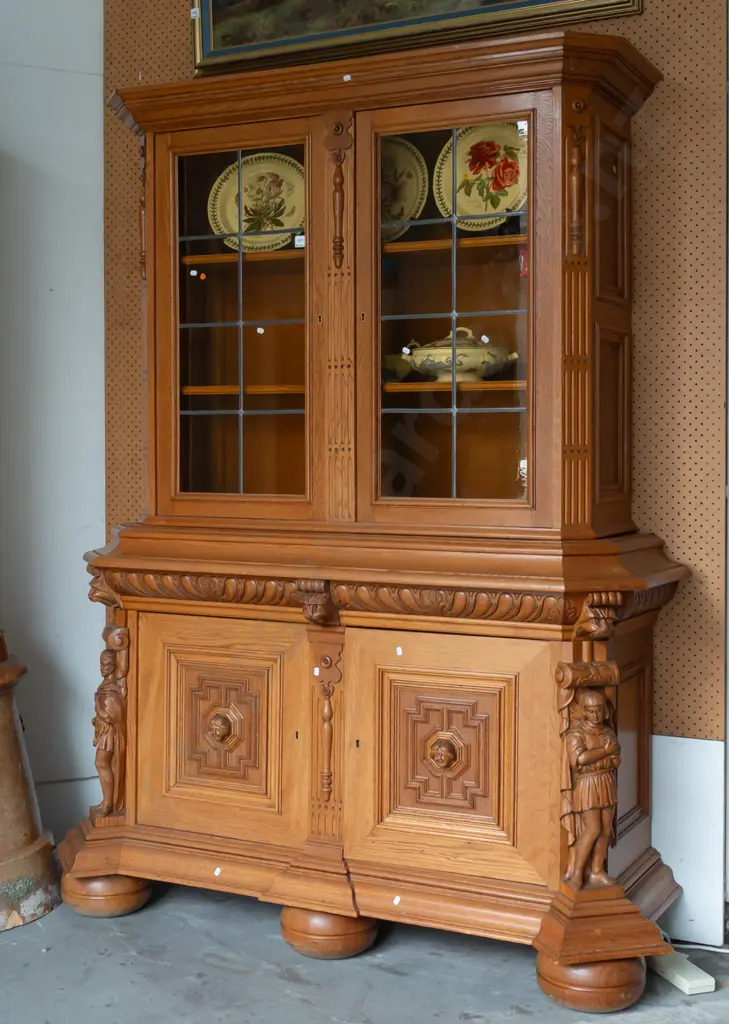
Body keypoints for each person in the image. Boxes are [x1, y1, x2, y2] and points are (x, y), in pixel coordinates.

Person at [563, 689, 621, 890]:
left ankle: (596, 871)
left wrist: (613, 758)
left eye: (599, 711)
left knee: (606, 828)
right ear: (584, 712)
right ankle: (578, 872)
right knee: (593, 828)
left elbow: (616, 760)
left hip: (606, 780)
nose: (596, 715)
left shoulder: (607, 732)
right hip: (588, 783)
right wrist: (605, 752)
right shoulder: (575, 735)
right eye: (591, 711)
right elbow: (579, 759)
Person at [90, 649, 125, 817]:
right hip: (104, 732)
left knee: (102, 763)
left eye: (106, 665)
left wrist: (99, 710)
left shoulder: (112, 689)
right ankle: (106, 801)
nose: (102, 668)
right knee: (102, 764)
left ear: (113, 666)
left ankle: (108, 803)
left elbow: (113, 716)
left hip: (110, 735)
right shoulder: (106, 685)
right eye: (101, 664)